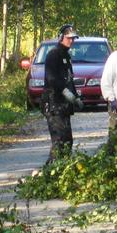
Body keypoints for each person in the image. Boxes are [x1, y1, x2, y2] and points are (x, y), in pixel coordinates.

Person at [42, 24, 83, 164]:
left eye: (73, 39)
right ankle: (50, 172)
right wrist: (64, 91)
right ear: (61, 37)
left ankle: (63, 169)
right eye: (68, 38)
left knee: (67, 141)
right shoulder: (54, 54)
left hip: (64, 106)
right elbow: (51, 78)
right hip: (54, 104)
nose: (71, 41)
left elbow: (69, 78)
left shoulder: (66, 55)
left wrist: (76, 96)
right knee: (59, 141)